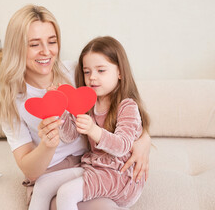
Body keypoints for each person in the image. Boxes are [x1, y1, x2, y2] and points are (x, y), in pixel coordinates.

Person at [0, 4, 151, 209]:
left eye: (52, 41)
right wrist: (48, 144)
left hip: (92, 163)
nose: (46, 51)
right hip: (51, 170)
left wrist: (143, 142)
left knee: (94, 203)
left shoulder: (78, 73)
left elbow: (122, 107)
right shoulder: (12, 100)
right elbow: (30, 170)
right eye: (34, 44)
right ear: (17, 47)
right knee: (56, 197)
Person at [29, 36, 150, 209]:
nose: (92, 77)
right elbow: (70, 136)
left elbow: (122, 146)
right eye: (87, 72)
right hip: (95, 166)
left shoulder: (127, 106)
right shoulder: (88, 102)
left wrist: (94, 130)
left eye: (101, 70)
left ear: (120, 72)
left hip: (119, 175)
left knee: (66, 193)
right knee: (43, 185)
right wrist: (59, 108)